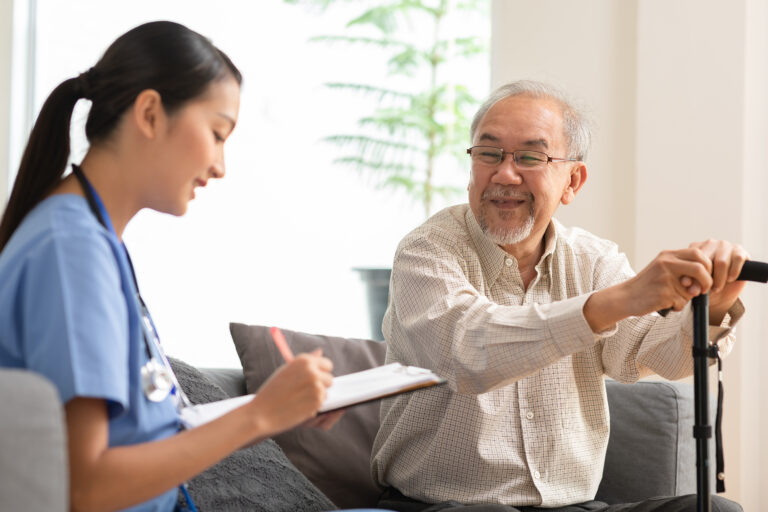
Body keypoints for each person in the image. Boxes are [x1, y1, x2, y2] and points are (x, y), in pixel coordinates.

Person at [0, 21, 342, 512]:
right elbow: (87, 488)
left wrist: (274, 410)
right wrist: (259, 417)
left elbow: (146, 431)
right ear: (151, 113)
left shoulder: (88, 238)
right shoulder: (71, 249)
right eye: (217, 133)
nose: (221, 165)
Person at [370, 80, 746, 512]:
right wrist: (617, 301)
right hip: (444, 505)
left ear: (573, 180)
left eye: (530, 157)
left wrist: (714, 304)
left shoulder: (593, 259)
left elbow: (653, 354)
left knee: (719, 510)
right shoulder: (427, 250)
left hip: (572, 506)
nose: (504, 174)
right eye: (489, 153)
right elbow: (469, 351)